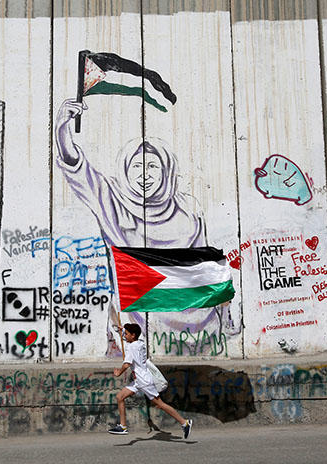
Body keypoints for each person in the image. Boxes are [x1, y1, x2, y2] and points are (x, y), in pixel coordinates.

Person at [54, 99, 239, 356]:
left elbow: (202, 271)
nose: (144, 175)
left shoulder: (188, 211)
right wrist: (62, 130)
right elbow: (79, 171)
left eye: (153, 166)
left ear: (166, 172)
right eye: (137, 166)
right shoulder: (113, 203)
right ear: (126, 170)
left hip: (189, 329)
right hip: (135, 328)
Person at [108, 322, 193, 438]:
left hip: (144, 381)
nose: (124, 336)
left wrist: (118, 372)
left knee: (161, 404)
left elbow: (127, 364)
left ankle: (185, 422)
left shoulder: (131, 347)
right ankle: (122, 427)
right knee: (120, 397)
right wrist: (123, 329)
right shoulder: (140, 343)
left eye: (126, 334)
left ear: (133, 335)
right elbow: (133, 335)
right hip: (139, 380)